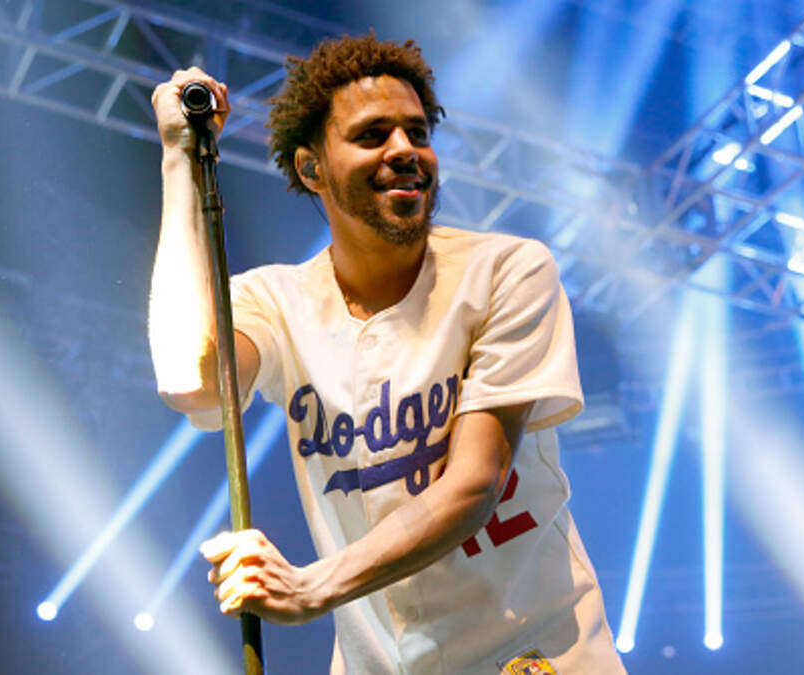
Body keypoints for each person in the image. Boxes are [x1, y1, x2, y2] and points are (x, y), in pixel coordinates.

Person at [148, 33, 626, 674]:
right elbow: (190, 381)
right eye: (373, 135)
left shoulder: (507, 270)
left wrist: (311, 586)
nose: (404, 150)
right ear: (312, 168)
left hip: (531, 656)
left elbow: (475, 483)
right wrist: (180, 159)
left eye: (417, 132)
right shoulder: (275, 302)